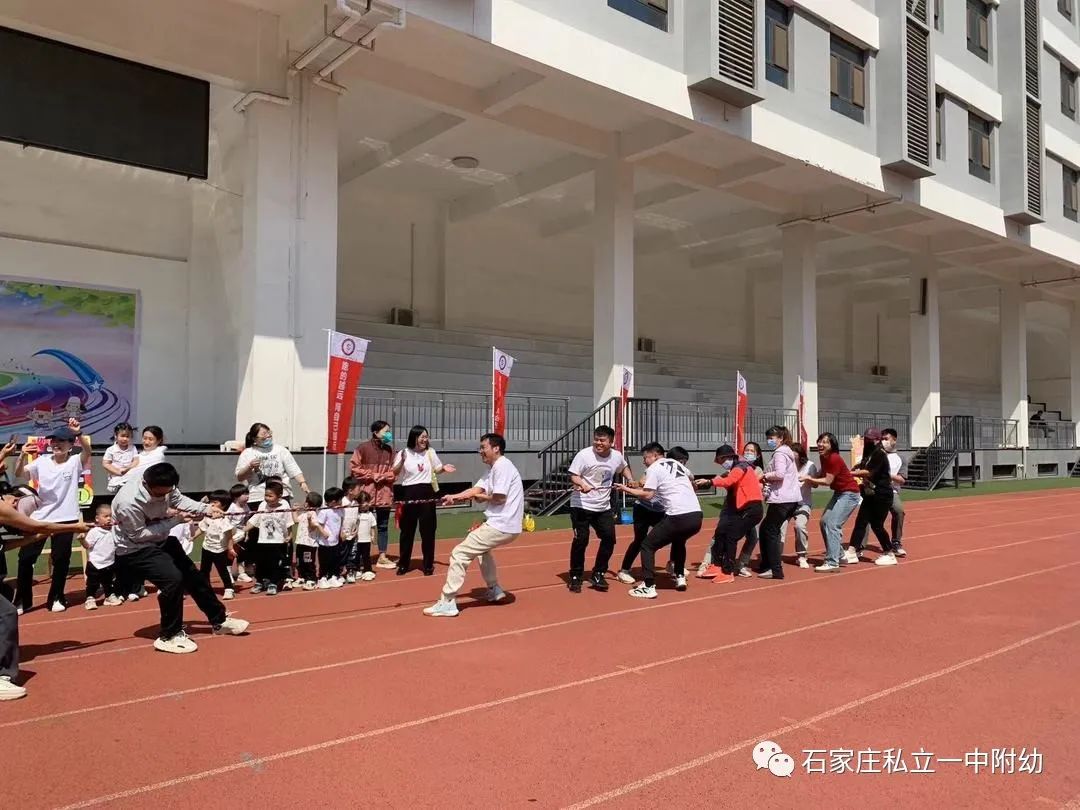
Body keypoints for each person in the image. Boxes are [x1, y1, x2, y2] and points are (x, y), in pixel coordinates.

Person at [111, 463, 248, 654]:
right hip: (135, 549)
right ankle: (169, 635)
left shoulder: (166, 486)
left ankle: (219, 621)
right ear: (148, 484)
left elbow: (179, 499)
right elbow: (139, 535)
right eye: (160, 494)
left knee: (194, 577)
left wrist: (205, 508)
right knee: (172, 580)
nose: (165, 496)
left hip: (161, 539)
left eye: (169, 491)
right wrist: (174, 521)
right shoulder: (128, 502)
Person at [0, 481, 92, 700]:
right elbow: (41, 526)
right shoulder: (1, 507)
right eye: (17, 502)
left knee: (5, 595)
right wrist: (74, 527)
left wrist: (32, 539)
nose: (15, 507)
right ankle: (2, 675)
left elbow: (5, 546)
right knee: (6, 614)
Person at [424, 433, 522, 618]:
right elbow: (476, 489)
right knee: (482, 550)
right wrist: (455, 497)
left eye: (483, 447)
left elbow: (500, 497)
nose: (480, 451)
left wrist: (481, 498)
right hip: (503, 524)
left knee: (459, 553)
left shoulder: (502, 466)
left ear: (496, 448)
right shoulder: (492, 469)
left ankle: (447, 601)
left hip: (502, 524)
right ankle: (494, 589)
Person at [14, 420, 91, 614]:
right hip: (40, 518)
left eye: (62, 441)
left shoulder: (75, 461)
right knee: (26, 558)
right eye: (54, 441)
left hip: (66, 518)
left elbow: (87, 451)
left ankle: (56, 597)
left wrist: (78, 432)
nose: (56, 444)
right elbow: (18, 473)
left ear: (71, 444)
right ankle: (22, 600)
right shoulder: (41, 461)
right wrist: (22, 454)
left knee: (61, 560)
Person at [614, 443, 702, 599]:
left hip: (675, 514)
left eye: (645, 457)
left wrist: (626, 489)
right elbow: (691, 479)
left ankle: (648, 586)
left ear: (654, 455)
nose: (644, 461)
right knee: (675, 539)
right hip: (695, 516)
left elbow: (647, 494)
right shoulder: (676, 464)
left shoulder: (655, 468)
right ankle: (676, 574)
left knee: (647, 545)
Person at [566, 425, 633, 593]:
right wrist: (582, 484)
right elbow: (574, 475)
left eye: (602, 440)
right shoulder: (584, 455)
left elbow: (623, 467)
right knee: (581, 540)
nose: (598, 443)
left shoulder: (616, 456)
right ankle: (575, 576)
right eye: (596, 439)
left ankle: (598, 573)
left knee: (609, 539)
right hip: (581, 506)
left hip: (603, 507)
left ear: (611, 442)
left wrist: (630, 479)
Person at [695, 444, 764, 583]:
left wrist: (709, 482)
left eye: (721, 460)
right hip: (741, 508)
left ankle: (728, 571)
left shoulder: (741, 466)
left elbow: (729, 481)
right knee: (721, 532)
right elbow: (727, 479)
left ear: (728, 457)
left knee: (731, 536)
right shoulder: (736, 467)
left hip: (751, 509)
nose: (721, 464)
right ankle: (717, 565)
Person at [393, 425, 456, 576]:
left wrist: (444, 468)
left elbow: (437, 468)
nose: (424, 439)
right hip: (409, 493)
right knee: (407, 532)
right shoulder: (404, 453)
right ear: (414, 437)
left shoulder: (430, 452)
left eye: (426, 437)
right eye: (422, 436)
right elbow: (395, 472)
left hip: (427, 493)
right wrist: (401, 461)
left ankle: (428, 565)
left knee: (428, 531)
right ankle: (403, 564)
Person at [801, 432, 862, 573]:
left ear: (832, 445)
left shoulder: (834, 458)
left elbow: (828, 481)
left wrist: (809, 479)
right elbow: (824, 472)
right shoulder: (824, 457)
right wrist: (814, 476)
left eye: (825, 442)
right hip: (840, 492)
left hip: (850, 494)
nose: (821, 444)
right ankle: (839, 554)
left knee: (833, 524)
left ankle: (832, 562)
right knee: (824, 522)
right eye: (820, 441)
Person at [847, 429, 899, 567]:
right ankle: (852, 550)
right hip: (870, 493)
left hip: (882, 494)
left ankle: (889, 553)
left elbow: (869, 472)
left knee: (876, 524)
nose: (869, 441)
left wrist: (851, 473)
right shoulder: (869, 453)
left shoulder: (879, 454)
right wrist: (857, 467)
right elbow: (864, 466)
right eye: (867, 439)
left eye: (871, 439)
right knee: (861, 521)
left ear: (877, 440)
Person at [350, 420, 397, 570]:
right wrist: (371, 474)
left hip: (385, 494)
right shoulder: (362, 448)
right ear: (376, 433)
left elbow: (395, 472)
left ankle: (382, 556)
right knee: (362, 525)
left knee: (383, 526)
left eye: (389, 431)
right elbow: (354, 468)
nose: (389, 434)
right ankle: (361, 556)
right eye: (386, 431)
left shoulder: (390, 450)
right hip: (366, 495)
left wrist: (384, 476)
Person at [756, 426, 801, 580]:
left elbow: (780, 474)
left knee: (770, 531)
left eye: (772, 438)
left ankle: (775, 569)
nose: (770, 441)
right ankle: (766, 564)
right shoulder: (787, 452)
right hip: (789, 498)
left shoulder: (781, 453)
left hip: (783, 499)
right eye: (768, 438)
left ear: (780, 438)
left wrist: (765, 475)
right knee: (765, 529)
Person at [235, 423, 310, 510]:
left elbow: (293, 468)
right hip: (257, 496)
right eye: (263, 434)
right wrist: (249, 466)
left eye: (269, 432)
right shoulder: (247, 453)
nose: (268, 436)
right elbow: (240, 477)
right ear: (254, 438)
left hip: (280, 495)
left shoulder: (280, 450)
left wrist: (302, 483)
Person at [245, 480, 294, 595]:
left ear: (279, 496)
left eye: (270, 496)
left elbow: (289, 523)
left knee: (275, 563)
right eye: (266, 495)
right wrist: (244, 530)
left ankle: (273, 583)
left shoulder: (285, 506)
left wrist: (290, 536)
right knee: (261, 562)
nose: (267, 498)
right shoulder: (263, 505)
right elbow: (255, 519)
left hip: (278, 541)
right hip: (263, 540)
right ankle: (260, 582)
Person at [79, 503, 124, 609]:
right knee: (92, 583)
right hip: (95, 564)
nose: (109, 519)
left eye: (110, 516)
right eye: (105, 516)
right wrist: (82, 540)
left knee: (108, 582)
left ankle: (109, 596)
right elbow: (87, 546)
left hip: (109, 562)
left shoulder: (114, 530)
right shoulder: (94, 531)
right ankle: (90, 599)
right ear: (97, 518)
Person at [195, 490, 238, 599]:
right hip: (207, 547)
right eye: (211, 502)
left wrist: (230, 548)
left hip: (219, 549)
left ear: (223, 505)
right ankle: (205, 587)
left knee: (222, 570)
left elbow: (229, 535)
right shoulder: (207, 516)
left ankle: (229, 589)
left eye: (215, 502)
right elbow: (202, 528)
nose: (212, 504)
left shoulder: (224, 519)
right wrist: (192, 537)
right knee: (204, 570)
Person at [781, 443, 817, 569]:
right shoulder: (785, 465)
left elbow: (815, 485)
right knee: (780, 528)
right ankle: (776, 556)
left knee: (800, 526)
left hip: (803, 504)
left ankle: (802, 556)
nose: (791, 454)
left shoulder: (810, 465)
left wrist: (808, 479)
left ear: (799, 453)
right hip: (786, 503)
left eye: (793, 452)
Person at [315, 487, 345, 589]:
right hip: (325, 543)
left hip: (335, 542)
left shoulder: (340, 510)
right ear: (333, 501)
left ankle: (333, 577)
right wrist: (323, 532)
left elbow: (341, 522)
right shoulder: (325, 511)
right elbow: (318, 524)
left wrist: (341, 532)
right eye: (340, 500)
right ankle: (322, 578)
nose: (342, 501)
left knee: (334, 560)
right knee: (324, 561)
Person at [295, 491, 322, 590]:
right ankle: (302, 577)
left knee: (308, 562)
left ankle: (311, 579)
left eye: (306, 501)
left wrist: (310, 520)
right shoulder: (304, 513)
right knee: (300, 561)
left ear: (307, 503)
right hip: (300, 542)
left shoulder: (313, 514)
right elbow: (296, 520)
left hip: (309, 544)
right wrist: (295, 510)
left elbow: (312, 528)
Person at [102, 422, 138, 495]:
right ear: (116, 436)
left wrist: (128, 469)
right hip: (116, 478)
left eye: (127, 436)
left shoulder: (133, 448)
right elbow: (105, 464)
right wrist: (118, 472)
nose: (125, 439)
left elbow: (136, 461)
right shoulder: (111, 449)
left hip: (130, 476)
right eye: (122, 436)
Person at [226, 483, 252, 583]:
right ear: (236, 496)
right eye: (244, 494)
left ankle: (241, 573)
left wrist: (247, 533)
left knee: (242, 553)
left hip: (242, 534)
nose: (247, 496)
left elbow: (247, 520)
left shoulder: (246, 506)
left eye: (248, 494)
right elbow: (226, 522)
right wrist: (232, 535)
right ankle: (228, 573)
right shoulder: (232, 508)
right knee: (231, 554)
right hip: (232, 535)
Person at [339, 476, 363, 583]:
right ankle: (339, 572)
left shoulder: (356, 504)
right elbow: (338, 519)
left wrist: (356, 529)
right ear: (350, 490)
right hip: (343, 535)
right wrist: (341, 532)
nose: (360, 490)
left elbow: (357, 518)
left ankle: (350, 571)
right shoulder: (342, 503)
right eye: (358, 488)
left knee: (352, 554)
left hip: (353, 535)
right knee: (341, 554)